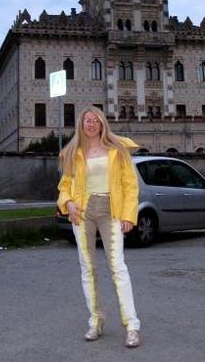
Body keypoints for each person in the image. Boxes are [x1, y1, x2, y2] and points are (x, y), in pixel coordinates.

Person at [57, 105, 141, 348]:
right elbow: (64, 186)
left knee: (118, 266)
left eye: (95, 120)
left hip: (111, 209)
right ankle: (96, 321)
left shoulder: (117, 149)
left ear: (102, 123)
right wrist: (69, 204)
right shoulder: (73, 152)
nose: (91, 124)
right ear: (81, 125)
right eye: (86, 121)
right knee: (88, 268)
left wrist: (128, 215)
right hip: (82, 212)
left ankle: (132, 326)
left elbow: (130, 185)